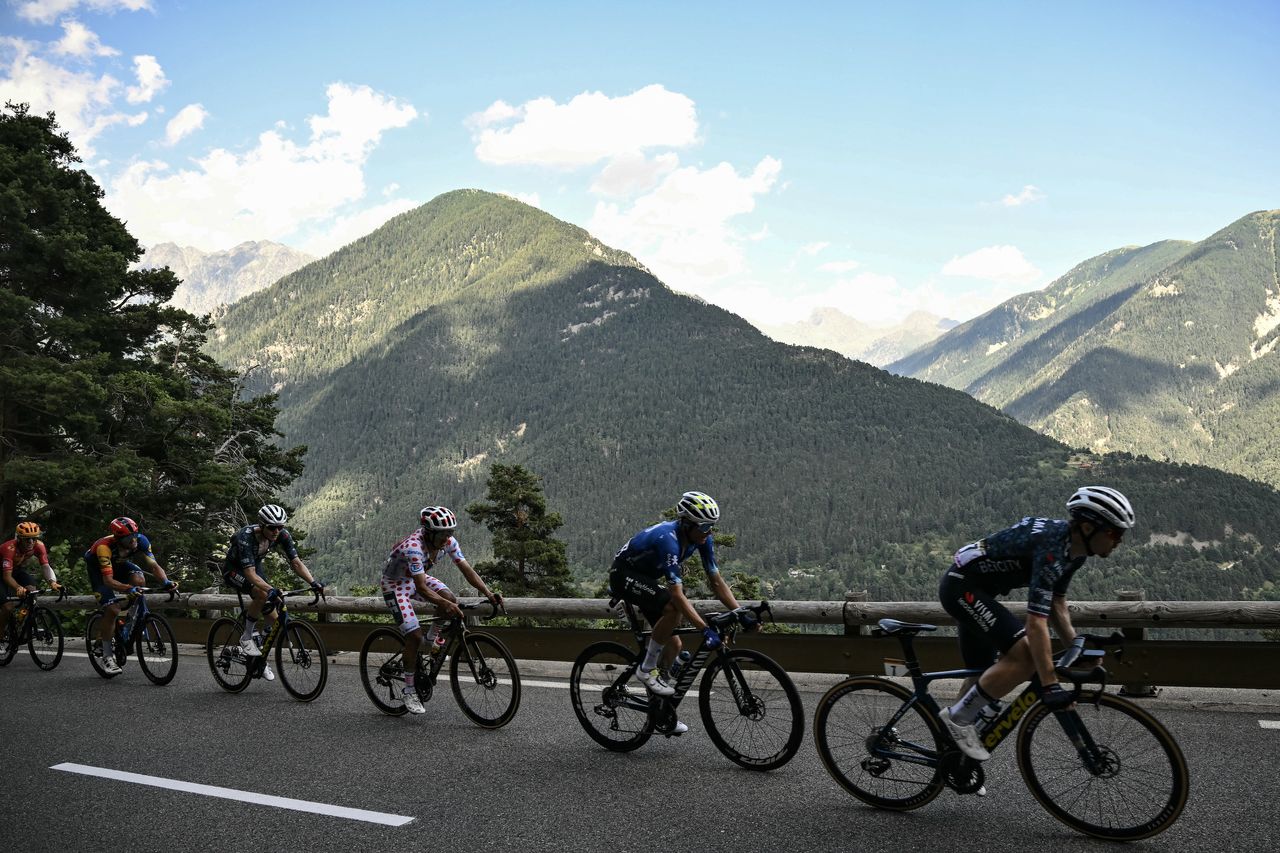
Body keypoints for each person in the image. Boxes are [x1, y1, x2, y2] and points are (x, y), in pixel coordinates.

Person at [937, 485, 1136, 761]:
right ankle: (958, 720)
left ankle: (951, 760)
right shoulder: (1052, 548)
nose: (1119, 541)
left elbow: (1057, 603)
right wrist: (1050, 683)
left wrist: (1075, 649)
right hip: (962, 587)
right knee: (1026, 656)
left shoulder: (1075, 552)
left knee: (980, 676)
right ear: (1088, 528)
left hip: (978, 591)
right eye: (1115, 532)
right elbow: (1036, 623)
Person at [609, 491, 756, 734]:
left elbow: (716, 582)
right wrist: (704, 629)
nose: (709, 532)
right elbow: (677, 596)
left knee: (674, 646)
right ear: (687, 523)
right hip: (624, 575)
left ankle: (662, 711)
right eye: (705, 526)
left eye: (712, 526)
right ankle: (646, 669)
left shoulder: (701, 538)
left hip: (647, 580)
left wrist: (740, 611)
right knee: (672, 607)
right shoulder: (668, 539)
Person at [380, 506, 502, 714]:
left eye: (451, 532)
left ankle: (432, 638)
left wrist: (488, 594)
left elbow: (467, 570)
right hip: (395, 585)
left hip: (415, 579)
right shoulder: (414, 548)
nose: (448, 538)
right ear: (429, 533)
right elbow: (421, 588)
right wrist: (446, 606)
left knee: (449, 597)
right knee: (414, 636)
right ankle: (409, 690)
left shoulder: (448, 542)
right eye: (444, 533)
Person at [222, 504, 323, 681]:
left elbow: (296, 562)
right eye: (272, 527)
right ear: (262, 525)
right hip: (235, 570)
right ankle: (246, 637)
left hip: (254, 566)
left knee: (276, 620)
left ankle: (259, 656)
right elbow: (250, 574)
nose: (276, 531)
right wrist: (269, 589)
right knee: (262, 594)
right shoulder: (246, 537)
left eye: (280, 527)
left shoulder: (282, 535)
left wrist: (313, 582)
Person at [84, 517, 178, 675]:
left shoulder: (141, 540)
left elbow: (154, 566)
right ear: (118, 539)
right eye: (128, 538)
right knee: (112, 610)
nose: (133, 540)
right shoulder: (104, 547)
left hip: (119, 565)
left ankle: (127, 621)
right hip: (100, 573)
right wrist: (128, 589)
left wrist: (166, 583)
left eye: (135, 534)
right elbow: (108, 580)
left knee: (139, 580)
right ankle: (107, 656)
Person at [1, 522, 63, 653]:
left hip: (16, 570)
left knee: (32, 590)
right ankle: (0, 638)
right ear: (18, 538)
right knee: (7, 607)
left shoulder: (39, 545)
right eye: (27, 539)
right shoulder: (9, 548)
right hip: (3, 574)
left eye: (34, 538)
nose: (31, 541)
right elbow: (6, 577)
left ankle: (23, 623)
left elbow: (45, 566)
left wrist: (52, 582)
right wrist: (18, 587)